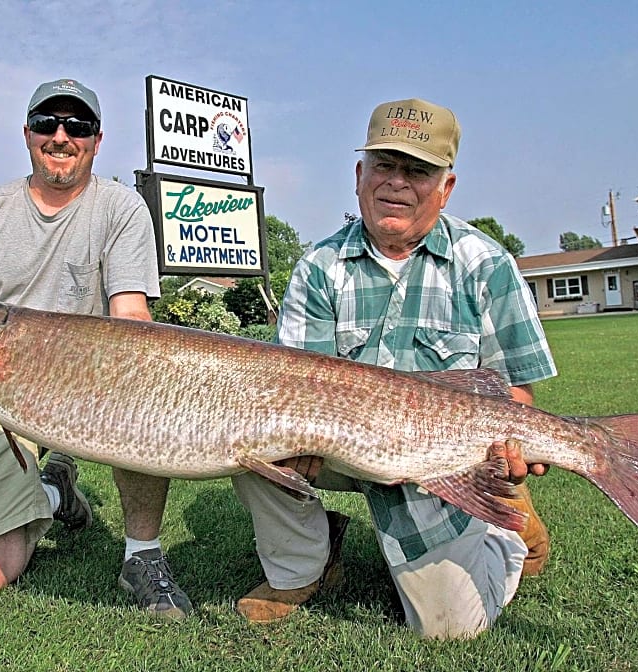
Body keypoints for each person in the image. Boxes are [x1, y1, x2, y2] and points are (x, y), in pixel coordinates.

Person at [231, 98, 557, 639]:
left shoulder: (489, 265)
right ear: (360, 176)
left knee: (449, 629)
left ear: (446, 186)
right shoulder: (319, 267)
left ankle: (506, 528)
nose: (397, 183)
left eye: (418, 170)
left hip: (443, 460)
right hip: (337, 445)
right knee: (242, 434)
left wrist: (499, 461)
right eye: (384, 165)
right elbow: (291, 388)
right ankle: (302, 567)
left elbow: (516, 395)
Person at [0, 78, 192, 620]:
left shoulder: (122, 208)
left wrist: (139, 375)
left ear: (96, 141)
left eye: (76, 126)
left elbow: (131, 315)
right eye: (47, 125)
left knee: (146, 389)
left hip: (99, 385)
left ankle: (142, 555)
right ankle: (57, 495)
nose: (61, 136)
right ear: (27, 134)